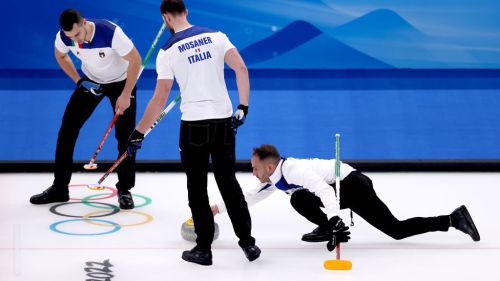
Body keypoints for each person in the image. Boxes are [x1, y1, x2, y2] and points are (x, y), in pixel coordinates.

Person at [126, 0, 260, 266]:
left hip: (194, 126)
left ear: (166, 18)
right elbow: (241, 69)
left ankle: (203, 249)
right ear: (186, 12)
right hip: (223, 122)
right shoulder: (217, 36)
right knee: (228, 183)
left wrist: (139, 132)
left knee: (197, 187)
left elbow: (160, 96)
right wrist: (243, 107)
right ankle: (248, 244)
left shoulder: (167, 51)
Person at [211, 144, 481, 252]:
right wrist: (215, 209)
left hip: (352, 185)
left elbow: (326, 191)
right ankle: (331, 226)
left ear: (269, 167)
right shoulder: (275, 179)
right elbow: (248, 198)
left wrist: (335, 221)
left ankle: (452, 218)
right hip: (341, 189)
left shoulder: (293, 169)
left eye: (255, 168)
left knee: (395, 230)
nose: (253, 172)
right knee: (298, 199)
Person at [30, 9, 142, 209]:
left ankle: (125, 189)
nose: (74, 40)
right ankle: (60, 188)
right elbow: (61, 56)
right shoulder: (65, 37)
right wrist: (79, 82)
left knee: (125, 136)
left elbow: (136, 60)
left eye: (77, 35)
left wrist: (125, 95)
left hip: (122, 82)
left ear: (84, 23)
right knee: (67, 129)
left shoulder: (110, 32)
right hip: (92, 82)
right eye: (69, 37)